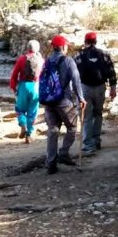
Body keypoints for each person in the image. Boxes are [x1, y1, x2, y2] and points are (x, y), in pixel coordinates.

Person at [39, 35, 85, 174]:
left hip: (49, 101)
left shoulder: (47, 61)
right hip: (64, 101)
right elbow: (76, 80)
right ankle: (64, 153)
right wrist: (81, 98)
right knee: (72, 127)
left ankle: (51, 163)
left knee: (53, 130)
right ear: (63, 47)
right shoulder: (68, 60)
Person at [74, 32, 117, 153]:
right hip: (100, 88)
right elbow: (111, 72)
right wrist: (113, 88)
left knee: (86, 116)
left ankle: (88, 144)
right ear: (95, 41)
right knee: (98, 114)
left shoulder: (78, 55)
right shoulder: (104, 55)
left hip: (84, 88)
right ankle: (96, 140)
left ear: (85, 42)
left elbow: (73, 74)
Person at [9, 40, 43, 144]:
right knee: (32, 111)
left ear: (28, 48)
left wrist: (13, 87)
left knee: (20, 109)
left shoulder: (22, 59)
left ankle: (23, 124)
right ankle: (29, 134)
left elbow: (14, 74)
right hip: (36, 87)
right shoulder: (41, 60)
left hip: (23, 86)